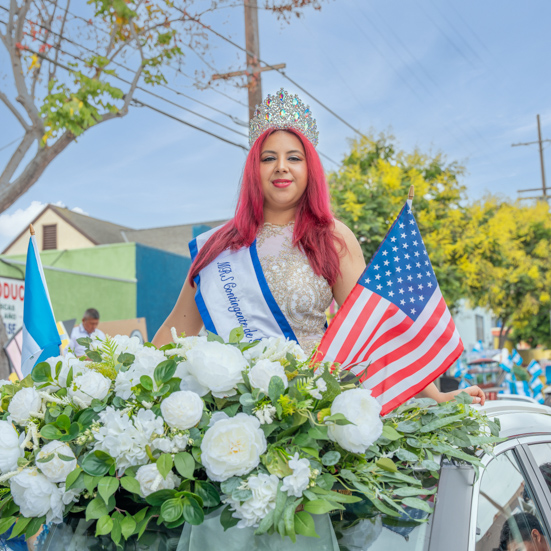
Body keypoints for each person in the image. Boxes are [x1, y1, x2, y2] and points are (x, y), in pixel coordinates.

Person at [153, 88, 484, 407]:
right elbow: (174, 333)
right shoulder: (217, 246)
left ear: (309, 168)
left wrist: (436, 395)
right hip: (232, 413)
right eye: (269, 158)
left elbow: (374, 325)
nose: (281, 166)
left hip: (310, 415)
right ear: (255, 169)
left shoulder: (331, 237)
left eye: (293, 157)